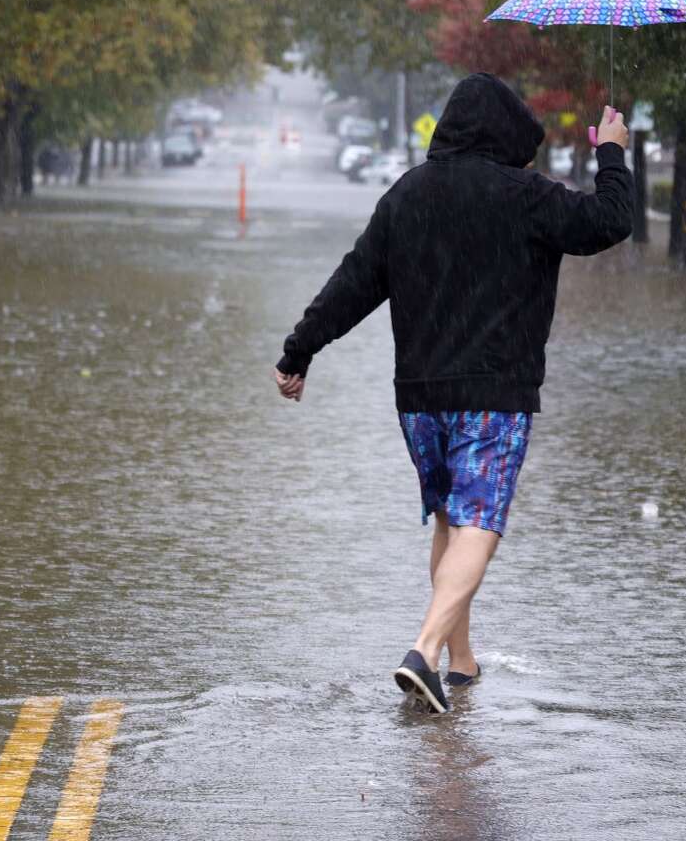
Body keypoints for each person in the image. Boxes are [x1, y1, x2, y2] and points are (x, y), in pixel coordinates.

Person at [271, 72, 633, 714]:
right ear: (507, 134)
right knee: (480, 521)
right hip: (493, 394)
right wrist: (610, 151)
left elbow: (353, 283)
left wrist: (299, 351)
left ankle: (460, 664)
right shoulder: (528, 197)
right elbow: (609, 220)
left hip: (420, 398)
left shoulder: (407, 195)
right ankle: (425, 650)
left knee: (450, 517)